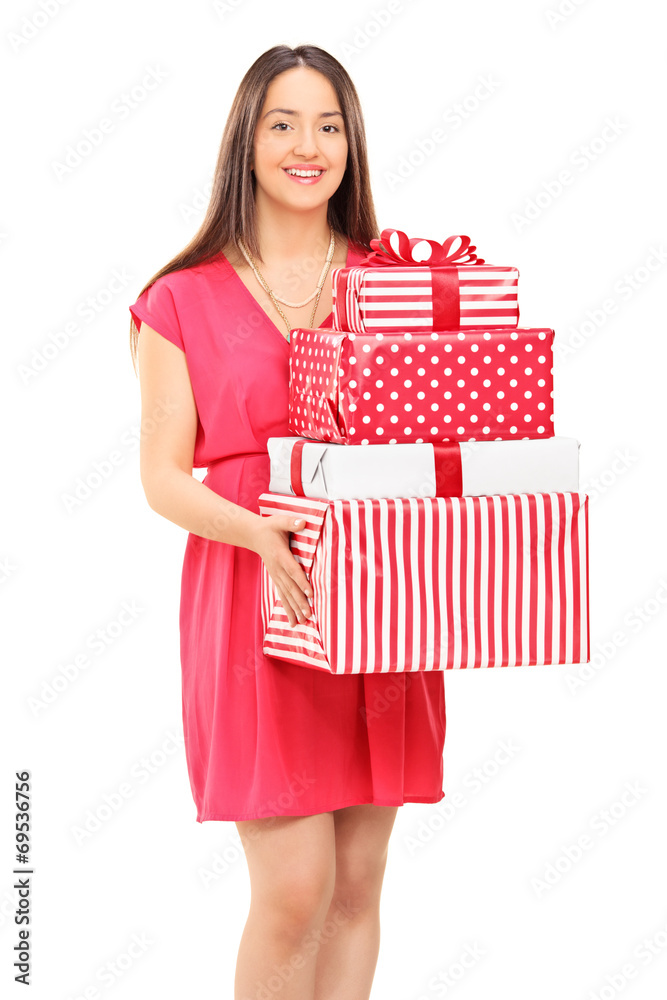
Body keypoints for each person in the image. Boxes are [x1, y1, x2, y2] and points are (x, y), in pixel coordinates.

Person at [129, 43, 446, 1000]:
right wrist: (260, 530)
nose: (307, 146)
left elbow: (435, 440)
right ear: (246, 142)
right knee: (293, 888)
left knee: (356, 883)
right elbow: (159, 477)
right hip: (253, 597)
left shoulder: (392, 282)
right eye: (283, 124)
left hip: (383, 606)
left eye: (328, 125)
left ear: (351, 145)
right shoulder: (179, 298)